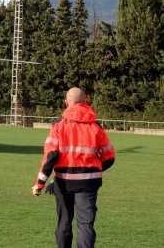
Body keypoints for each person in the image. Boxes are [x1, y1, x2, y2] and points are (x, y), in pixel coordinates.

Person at [31, 87, 115, 248]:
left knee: (64, 222)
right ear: (85, 102)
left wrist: (39, 184)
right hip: (89, 183)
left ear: (66, 103)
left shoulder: (58, 126)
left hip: (64, 182)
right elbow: (109, 157)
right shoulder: (96, 127)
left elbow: (50, 157)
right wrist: (92, 170)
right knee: (86, 224)